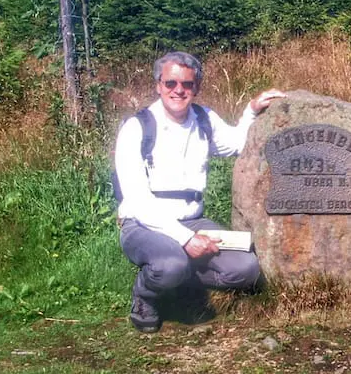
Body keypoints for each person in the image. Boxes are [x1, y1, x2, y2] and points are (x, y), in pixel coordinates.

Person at [114, 51, 285, 333]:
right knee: (170, 264)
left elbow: (234, 144)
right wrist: (186, 239)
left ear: (196, 87)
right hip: (143, 225)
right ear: (158, 85)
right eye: (170, 83)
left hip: (194, 220)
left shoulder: (204, 118)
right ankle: (146, 295)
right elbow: (138, 201)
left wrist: (252, 110)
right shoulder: (137, 128)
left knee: (247, 268)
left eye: (187, 84)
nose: (178, 90)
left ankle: (180, 280)